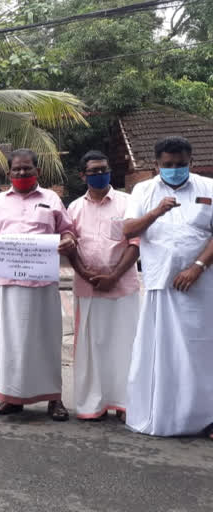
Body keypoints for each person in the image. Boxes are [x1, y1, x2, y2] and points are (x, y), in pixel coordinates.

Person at [123, 136, 213, 440]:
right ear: (156, 165)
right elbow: (128, 230)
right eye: (168, 165)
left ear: (191, 161)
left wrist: (197, 268)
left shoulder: (208, 187)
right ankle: (159, 413)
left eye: (181, 164)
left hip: (200, 285)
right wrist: (156, 212)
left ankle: (206, 416)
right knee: (163, 352)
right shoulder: (143, 190)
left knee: (201, 349)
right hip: (160, 283)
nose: (175, 169)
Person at [0, 149, 77, 421]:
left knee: (46, 339)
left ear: (38, 171)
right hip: (9, 283)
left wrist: (68, 240)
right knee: (11, 342)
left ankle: (53, 398)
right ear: (9, 173)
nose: (22, 173)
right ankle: (11, 397)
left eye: (27, 169)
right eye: (16, 170)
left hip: (43, 281)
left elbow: (67, 230)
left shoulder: (52, 199)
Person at [67, 151, 140, 422]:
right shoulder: (73, 208)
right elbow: (69, 245)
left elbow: (135, 244)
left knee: (126, 345)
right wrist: (85, 274)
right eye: (94, 171)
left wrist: (114, 276)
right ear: (82, 175)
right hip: (88, 288)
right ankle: (92, 404)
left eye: (104, 169)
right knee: (91, 348)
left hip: (123, 288)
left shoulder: (129, 203)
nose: (100, 175)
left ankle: (126, 402)